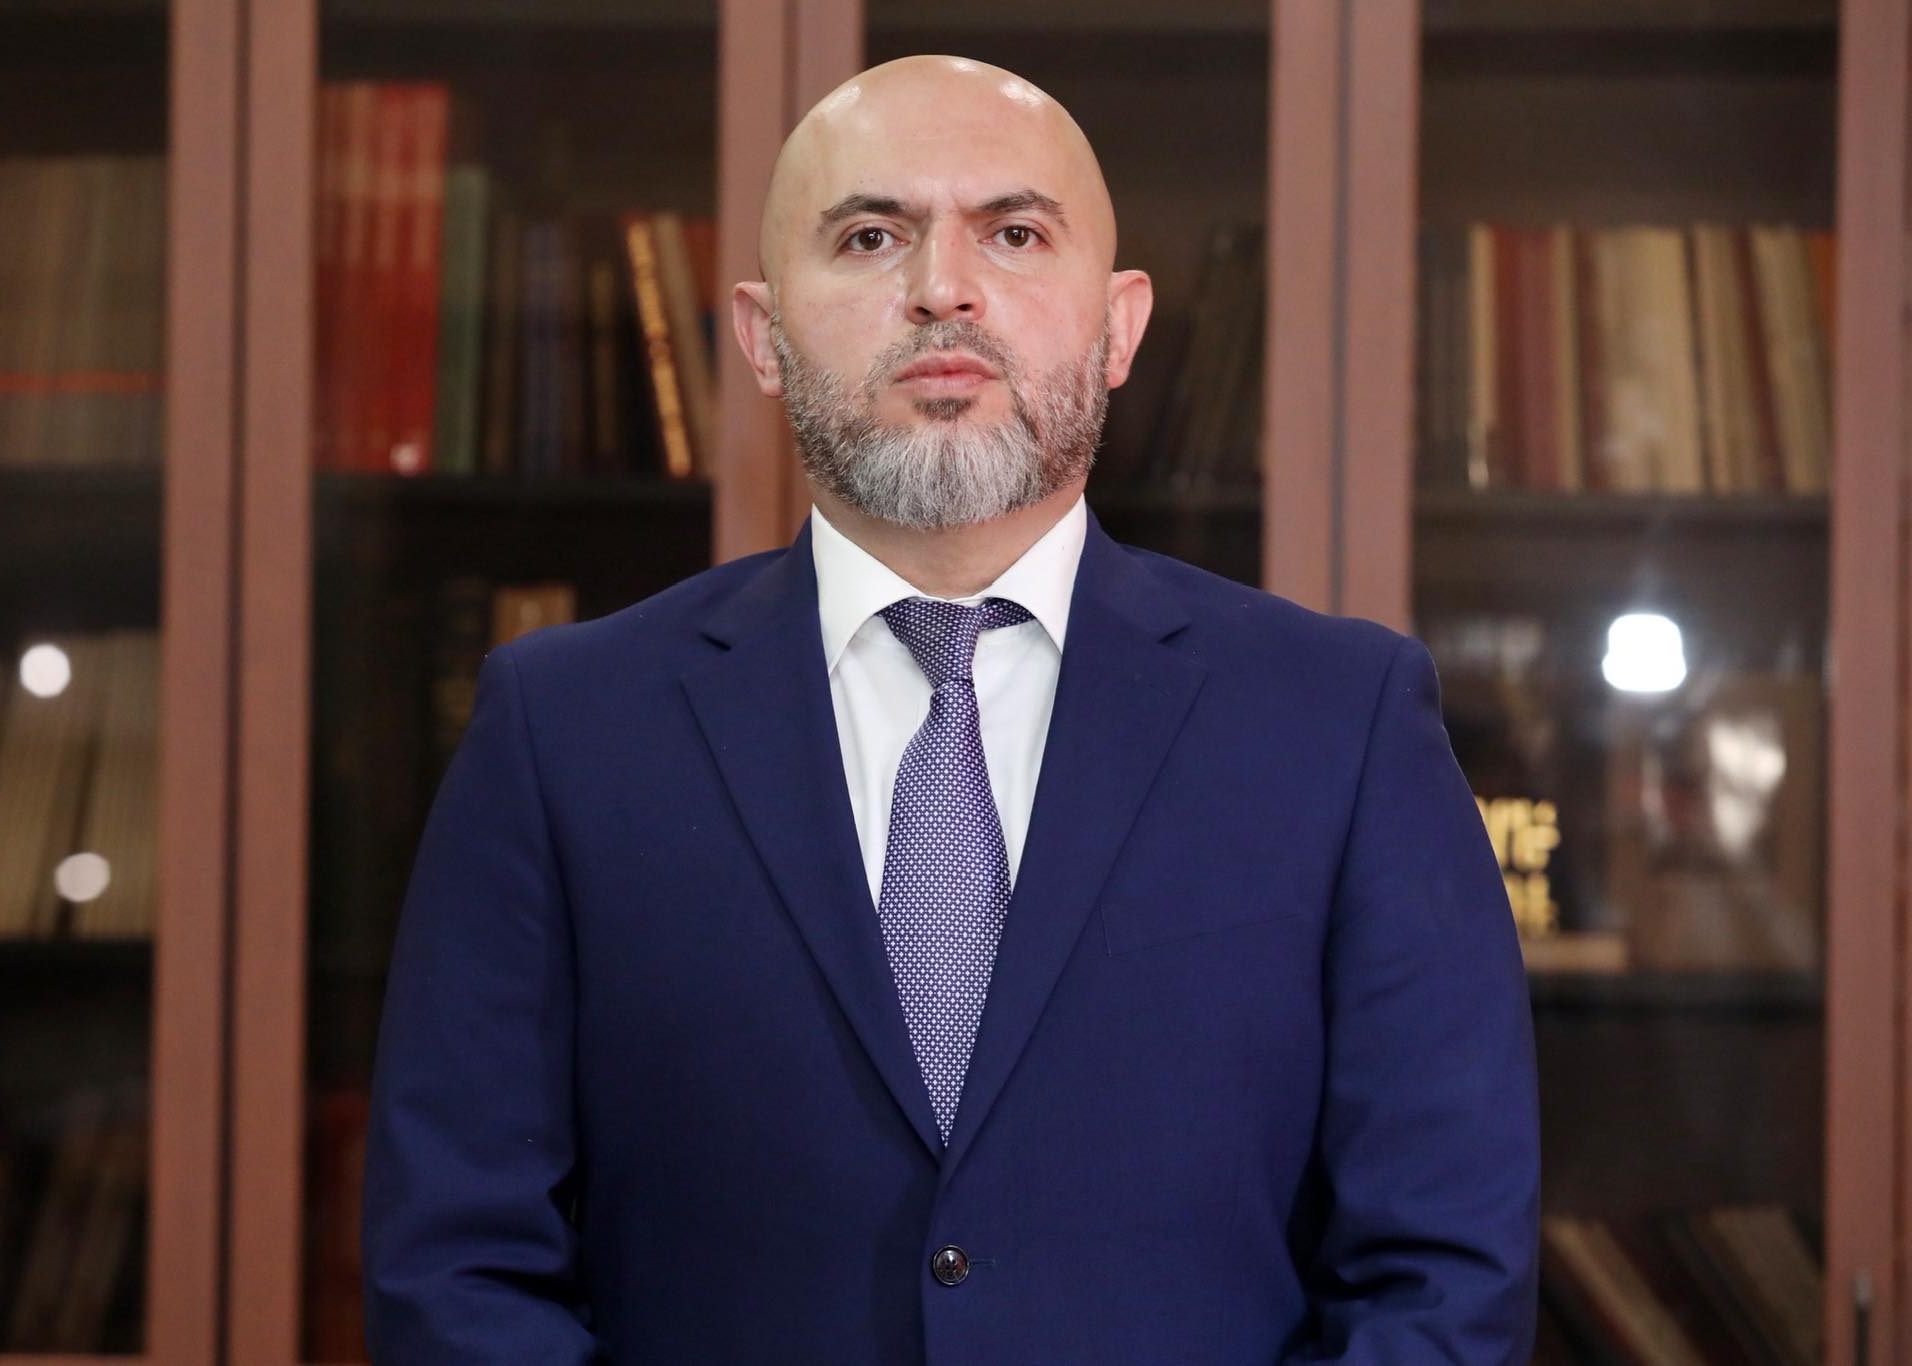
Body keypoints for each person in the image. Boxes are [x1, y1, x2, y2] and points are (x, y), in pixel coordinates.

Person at [362, 53, 1539, 1364]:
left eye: (1015, 233)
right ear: (761, 335)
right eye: (871, 237)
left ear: (1120, 328)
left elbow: (1442, 1272)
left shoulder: (1340, 722)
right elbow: (458, 1268)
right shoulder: (565, 728)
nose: (942, 289)